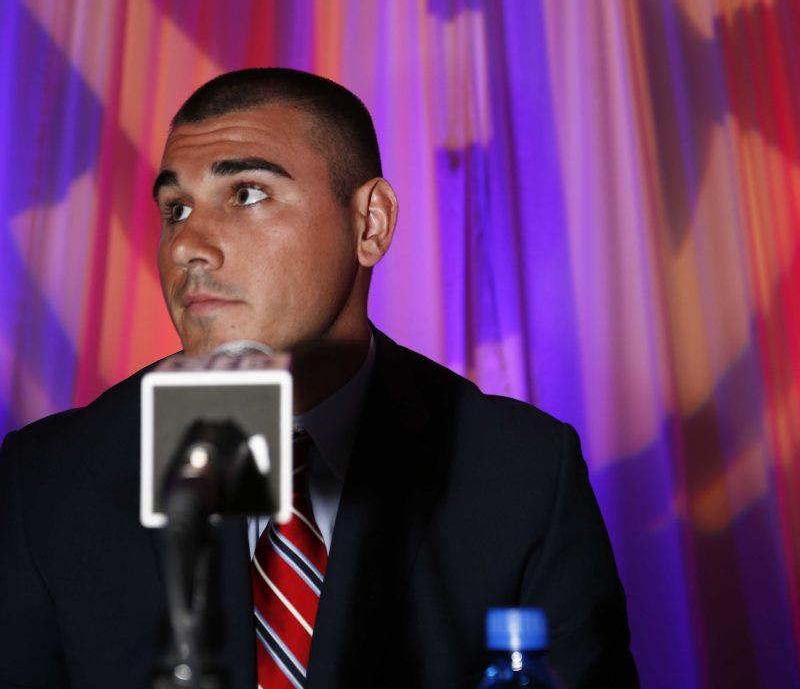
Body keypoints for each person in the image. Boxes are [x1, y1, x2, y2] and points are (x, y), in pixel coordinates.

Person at [0, 68, 638, 689]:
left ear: (371, 223)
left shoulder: (520, 473)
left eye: (247, 193)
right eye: (175, 208)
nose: (187, 245)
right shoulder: (52, 478)